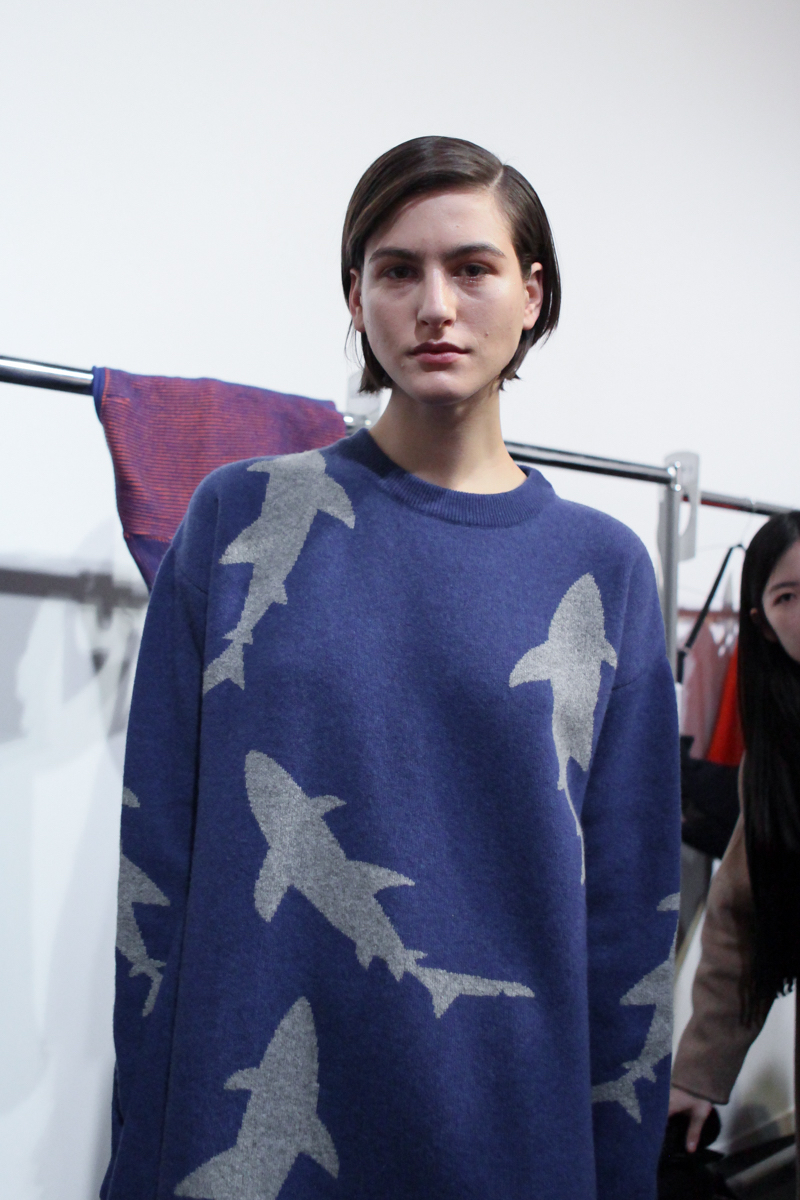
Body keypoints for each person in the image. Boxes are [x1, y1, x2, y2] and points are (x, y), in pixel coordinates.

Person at [102, 136, 680, 1200]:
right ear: (355, 295)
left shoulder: (603, 568)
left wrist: (620, 1170)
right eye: (398, 270)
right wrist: (139, 1146)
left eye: (472, 268)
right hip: (242, 1126)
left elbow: (631, 910)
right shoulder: (235, 515)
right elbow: (157, 860)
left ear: (532, 294)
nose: (435, 306)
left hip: (503, 1125)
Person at [670, 512, 800, 1186]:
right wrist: (698, 1074)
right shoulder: (774, 762)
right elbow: (741, 918)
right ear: (764, 623)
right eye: (788, 596)